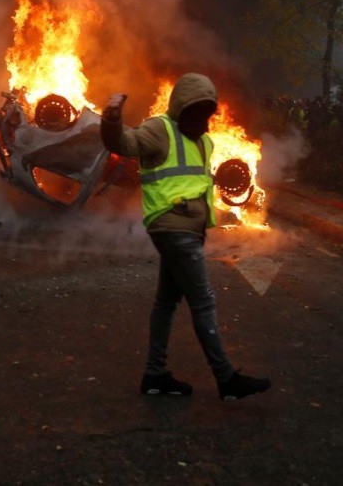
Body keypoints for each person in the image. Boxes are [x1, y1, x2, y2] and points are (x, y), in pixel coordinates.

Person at [100, 73, 271, 401]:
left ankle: (155, 375)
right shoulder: (159, 129)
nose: (200, 119)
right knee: (203, 300)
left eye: (206, 112)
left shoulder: (205, 142)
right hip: (172, 228)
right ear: (180, 107)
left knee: (166, 301)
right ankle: (226, 379)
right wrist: (111, 118)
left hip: (188, 230)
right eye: (194, 111)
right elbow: (122, 143)